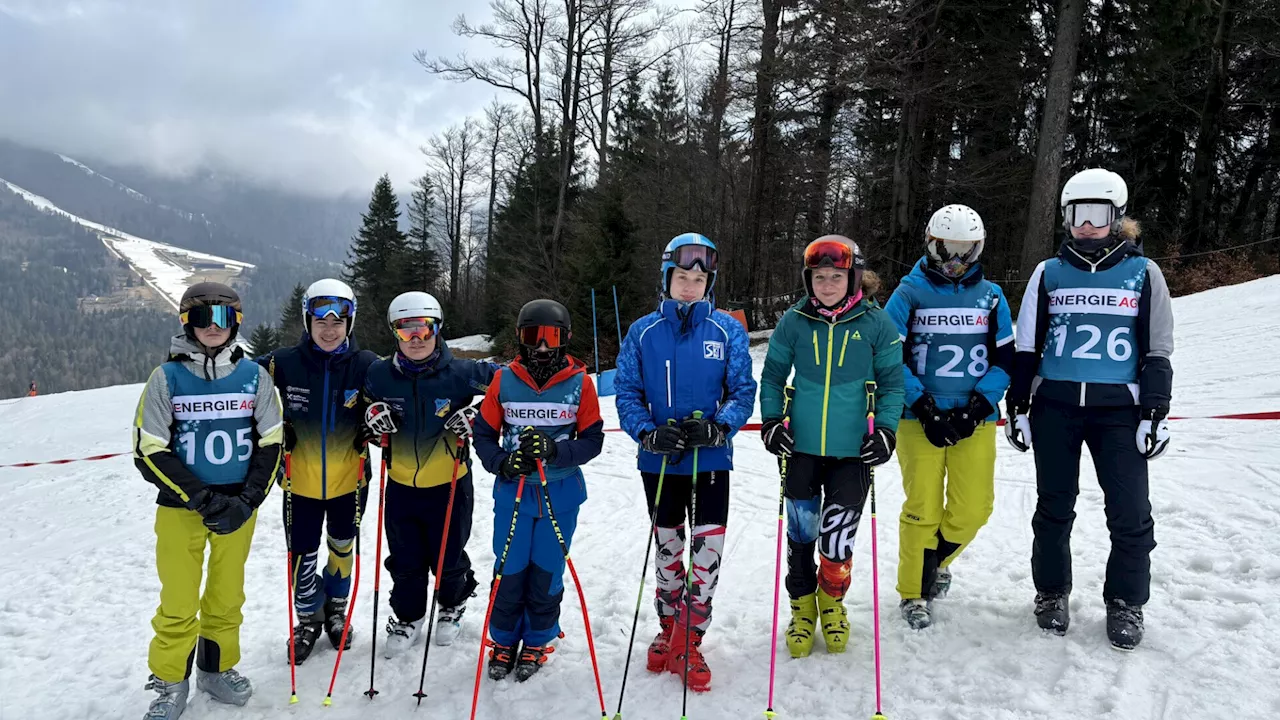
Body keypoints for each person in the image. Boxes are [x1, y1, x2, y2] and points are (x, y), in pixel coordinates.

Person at [1005, 168, 1173, 651]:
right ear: (1066, 217)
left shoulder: (1144, 272)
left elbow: (1158, 347)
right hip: (1055, 407)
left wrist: (1154, 411)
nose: (1087, 224)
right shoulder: (1048, 272)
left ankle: (1126, 601)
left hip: (1118, 411)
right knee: (1054, 508)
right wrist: (1018, 405)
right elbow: (1027, 344)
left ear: (1117, 217)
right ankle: (1051, 592)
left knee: (1130, 512)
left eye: (1098, 214)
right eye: (1077, 214)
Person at [133, 282, 284, 719]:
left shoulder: (255, 377)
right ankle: (169, 681)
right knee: (178, 601)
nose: (211, 328)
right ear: (186, 324)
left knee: (225, 595)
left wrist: (249, 499)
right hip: (182, 509)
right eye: (200, 319)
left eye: (221, 318)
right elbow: (149, 449)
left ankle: (216, 669)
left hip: (238, 508)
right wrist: (200, 498)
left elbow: (272, 441)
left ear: (235, 323)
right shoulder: (167, 378)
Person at [613, 232, 756, 692]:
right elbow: (627, 391)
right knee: (669, 549)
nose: (690, 286)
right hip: (660, 461)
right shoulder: (642, 331)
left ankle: (691, 636)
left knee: (707, 550)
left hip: (711, 457)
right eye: (682, 277)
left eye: (699, 278)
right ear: (666, 279)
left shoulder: (727, 329)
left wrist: (721, 425)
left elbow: (742, 390)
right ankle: (668, 626)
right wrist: (647, 433)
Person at [758, 235, 905, 658]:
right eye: (819, 277)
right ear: (809, 280)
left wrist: (887, 431)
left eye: (835, 277)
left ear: (854, 278)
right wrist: (771, 422)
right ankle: (802, 609)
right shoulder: (794, 320)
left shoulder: (877, 324)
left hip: (853, 452)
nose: (826, 284)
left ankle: (832, 604)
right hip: (801, 448)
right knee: (801, 537)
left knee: (837, 542)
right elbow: (772, 377)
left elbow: (893, 384)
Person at [883, 205, 1014, 629]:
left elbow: (1006, 358)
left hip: (973, 417)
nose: (956, 262)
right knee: (922, 506)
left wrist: (978, 406)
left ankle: (933, 561)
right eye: (947, 251)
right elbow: (888, 357)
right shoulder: (908, 293)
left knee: (974, 507)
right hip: (918, 417)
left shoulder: (991, 296)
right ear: (931, 245)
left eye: (966, 251)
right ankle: (914, 592)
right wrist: (923, 406)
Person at [471, 299, 605, 682]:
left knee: (546, 569)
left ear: (565, 339)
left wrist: (556, 450)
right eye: (534, 337)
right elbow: (483, 433)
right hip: (514, 492)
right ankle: (503, 639)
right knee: (510, 568)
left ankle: (538, 638)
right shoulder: (504, 380)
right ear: (520, 338)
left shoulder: (580, 382)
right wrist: (501, 461)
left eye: (552, 337)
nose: (542, 347)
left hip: (559, 493)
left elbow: (592, 440)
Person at [361, 291, 498, 657]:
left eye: (425, 329)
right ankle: (408, 616)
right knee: (404, 557)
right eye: (407, 331)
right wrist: (372, 415)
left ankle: (452, 604)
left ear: (438, 330)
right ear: (395, 333)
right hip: (402, 484)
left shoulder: (463, 372)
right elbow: (360, 407)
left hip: (450, 482)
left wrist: (479, 416)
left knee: (448, 554)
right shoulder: (378, 374)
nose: (417, 339)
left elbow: (510, 387)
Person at [256, 278, 378, 663]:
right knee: (302, 553)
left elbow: (409, 391)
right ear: (307, 321)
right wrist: (273, 427)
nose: (329, 330)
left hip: (350, 480)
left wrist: (377, 422)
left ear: (350, 323)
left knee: (342, 547)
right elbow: (237, 378)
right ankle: (308, 618)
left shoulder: (367, 365)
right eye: (320, 321)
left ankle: (337, 610)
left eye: (338, 322)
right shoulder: (283, 362)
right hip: (299, 481)